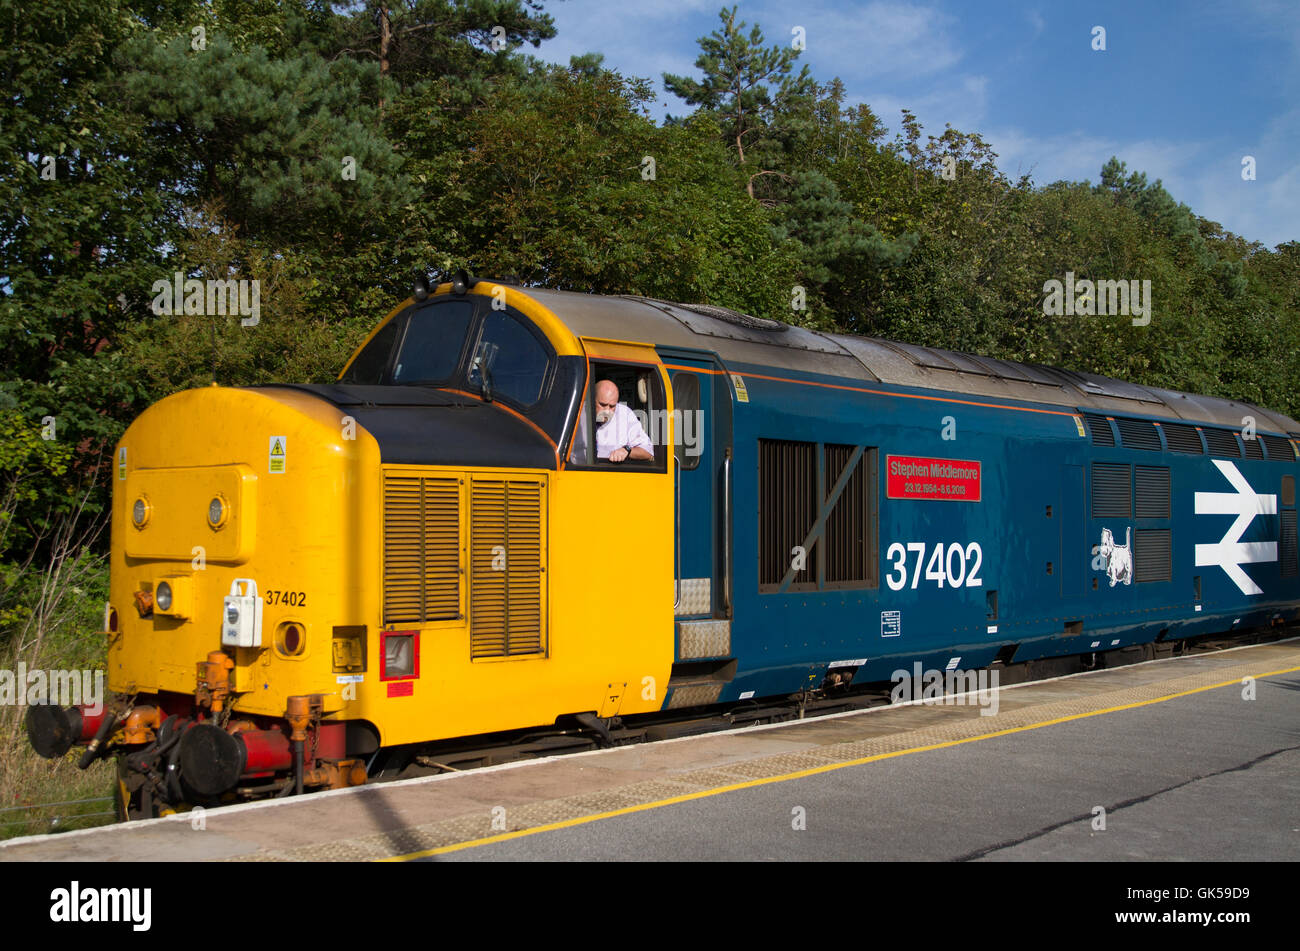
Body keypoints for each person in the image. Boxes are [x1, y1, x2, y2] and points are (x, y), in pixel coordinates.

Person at [570, 379, 654, 463]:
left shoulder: (625, 414)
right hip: (577, 472)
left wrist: (627, 451)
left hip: (610, 473)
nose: (607, 411)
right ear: (591, 399)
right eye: (602, 405)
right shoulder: (575, 412)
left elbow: (648, 451)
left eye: (612, 406)